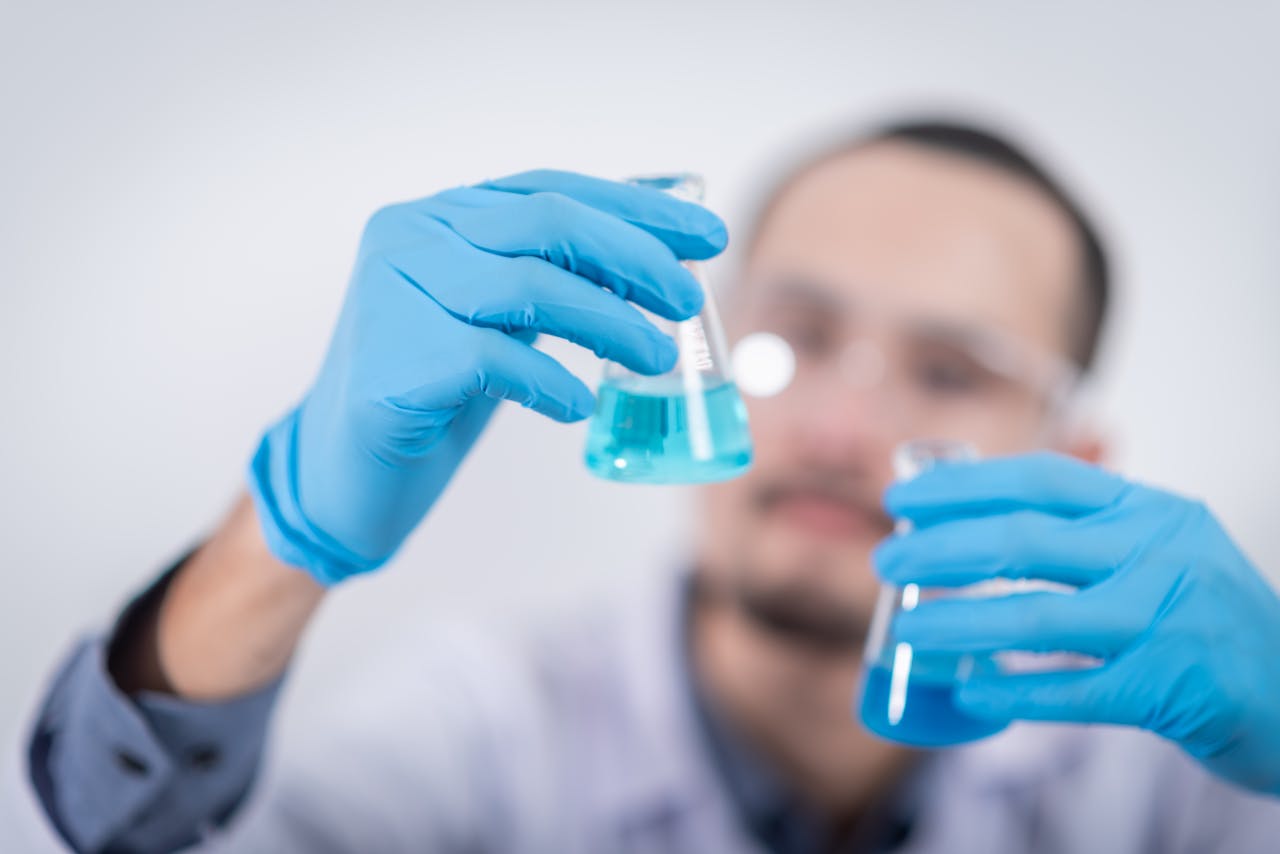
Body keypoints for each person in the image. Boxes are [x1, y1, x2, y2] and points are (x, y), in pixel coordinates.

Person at [5, 118, 1280, 853]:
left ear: (1076, 463)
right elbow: (116, 835)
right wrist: (280, 535)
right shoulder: (485, 728)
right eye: (787, 338)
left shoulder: (1168, 784)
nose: (839, 426)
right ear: (694, 357)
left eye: (948, 371)